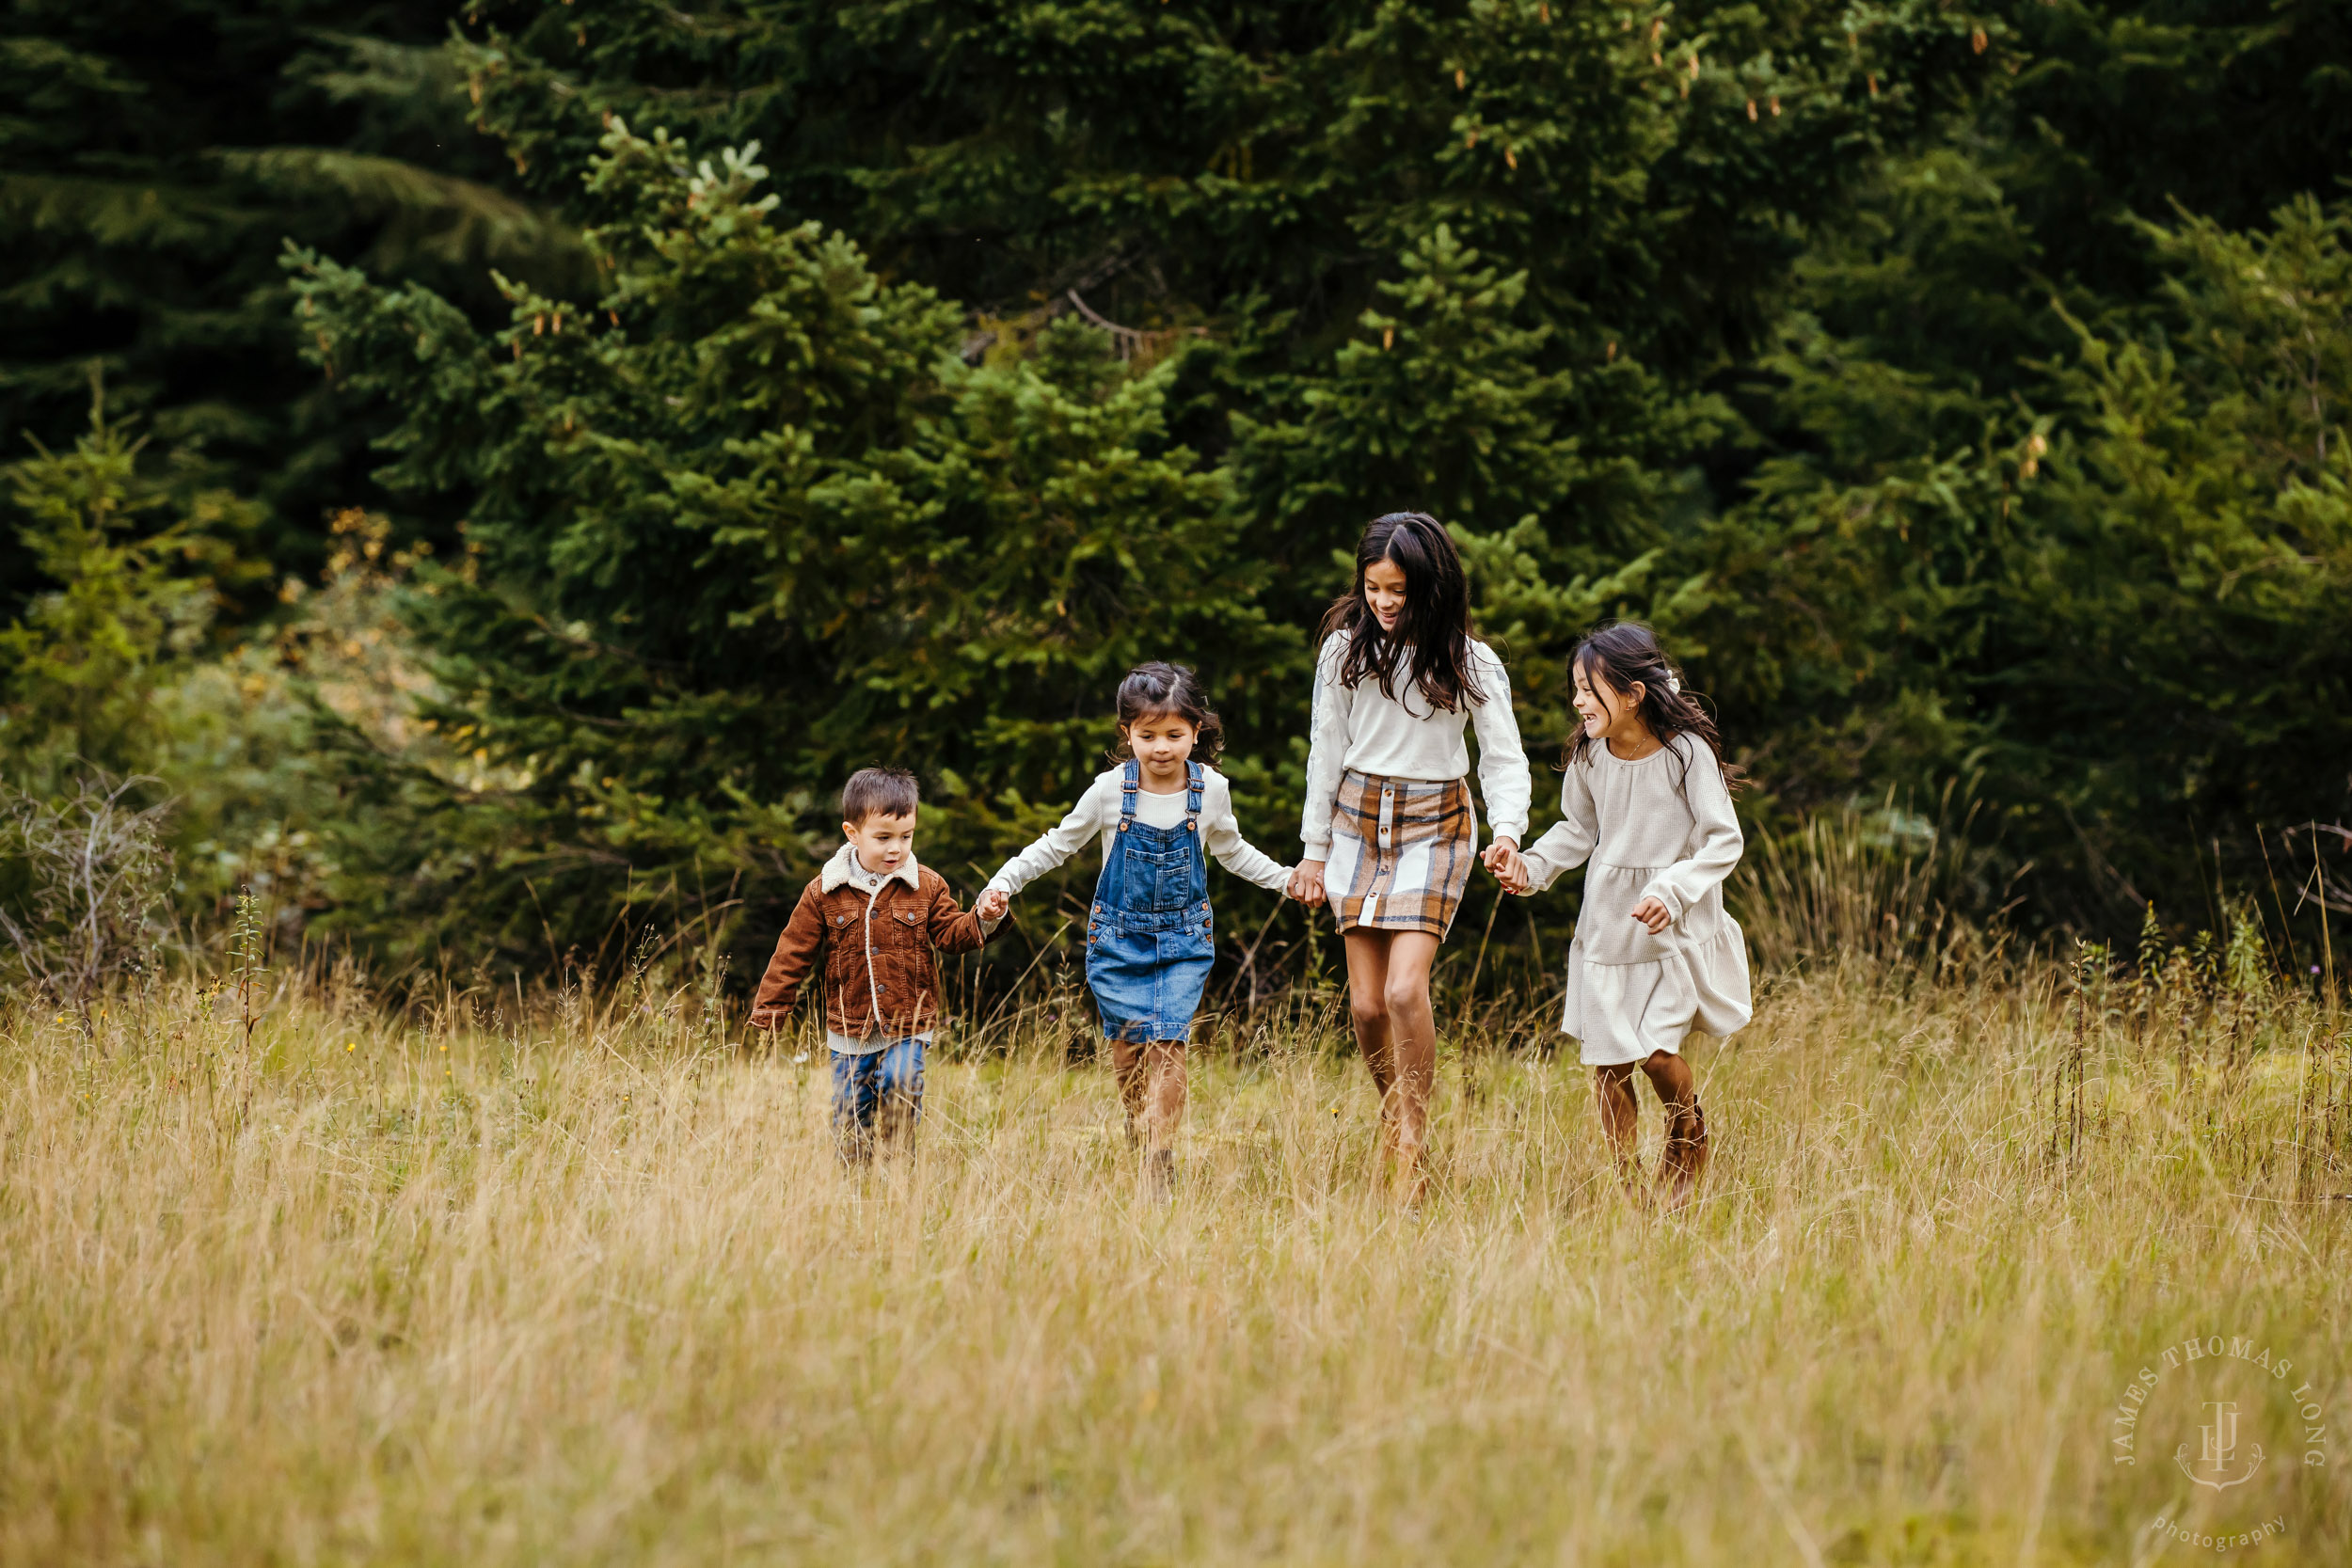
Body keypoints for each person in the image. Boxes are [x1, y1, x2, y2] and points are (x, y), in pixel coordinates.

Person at [976, 663, 1292, 1191]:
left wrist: (1287, 880)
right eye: (1147, 736)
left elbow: (1232, 851)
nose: (1162, 747)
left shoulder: (1210, 790)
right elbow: (1058, 843)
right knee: (1127, 1050)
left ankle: (1159, 1160)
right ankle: (1139, 1129)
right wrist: (1004, 882)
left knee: (1168, 1041)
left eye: (1174, 735)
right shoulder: (1108, 792)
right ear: (1128, 735)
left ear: (1196, 731)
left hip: (1184, 940)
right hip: (1118, 939)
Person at [1289, 513, 1530, 1200]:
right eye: (1374, 588)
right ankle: (1393, 1114)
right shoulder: (1344, 653)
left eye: (1399, 589)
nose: (1385, 603)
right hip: (1357, 822)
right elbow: (1324, 752)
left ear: (1432, 585)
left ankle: (1412, 1143)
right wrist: (1313, 852)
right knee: (1366, 1007)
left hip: (1435, 823)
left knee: (1403, 990)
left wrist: (1507, 830)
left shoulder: (1470, 660)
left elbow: (1504, 755)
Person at [1492, 622, 1751, 1208]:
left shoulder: (1687, 753)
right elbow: (1579, 830)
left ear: (1633, 694)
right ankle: (1631, 1192)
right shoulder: (1589, 754)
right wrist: (1527, 868)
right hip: (1609, 924)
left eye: (1590, 689)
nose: (1578, 700)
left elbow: (1722, 839)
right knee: (1610, 1068)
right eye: (1576, 689)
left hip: (1670, 925)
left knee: (1659, 1056)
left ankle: (1687, 1134)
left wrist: (1675, 890)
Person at [749, 767, 1005, 1164]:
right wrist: (770, 1008)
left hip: (908, 1024)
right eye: (883, 838)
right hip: (850, 1029)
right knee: (850, 1114)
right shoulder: (824, 892)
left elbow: (953, 934)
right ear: (852, 833)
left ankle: (898, 1165)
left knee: (902, 1080)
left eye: (906, 837)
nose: (895, 849)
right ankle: (858, 1188)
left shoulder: (926, 886)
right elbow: (792, 952)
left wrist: (984, 916)